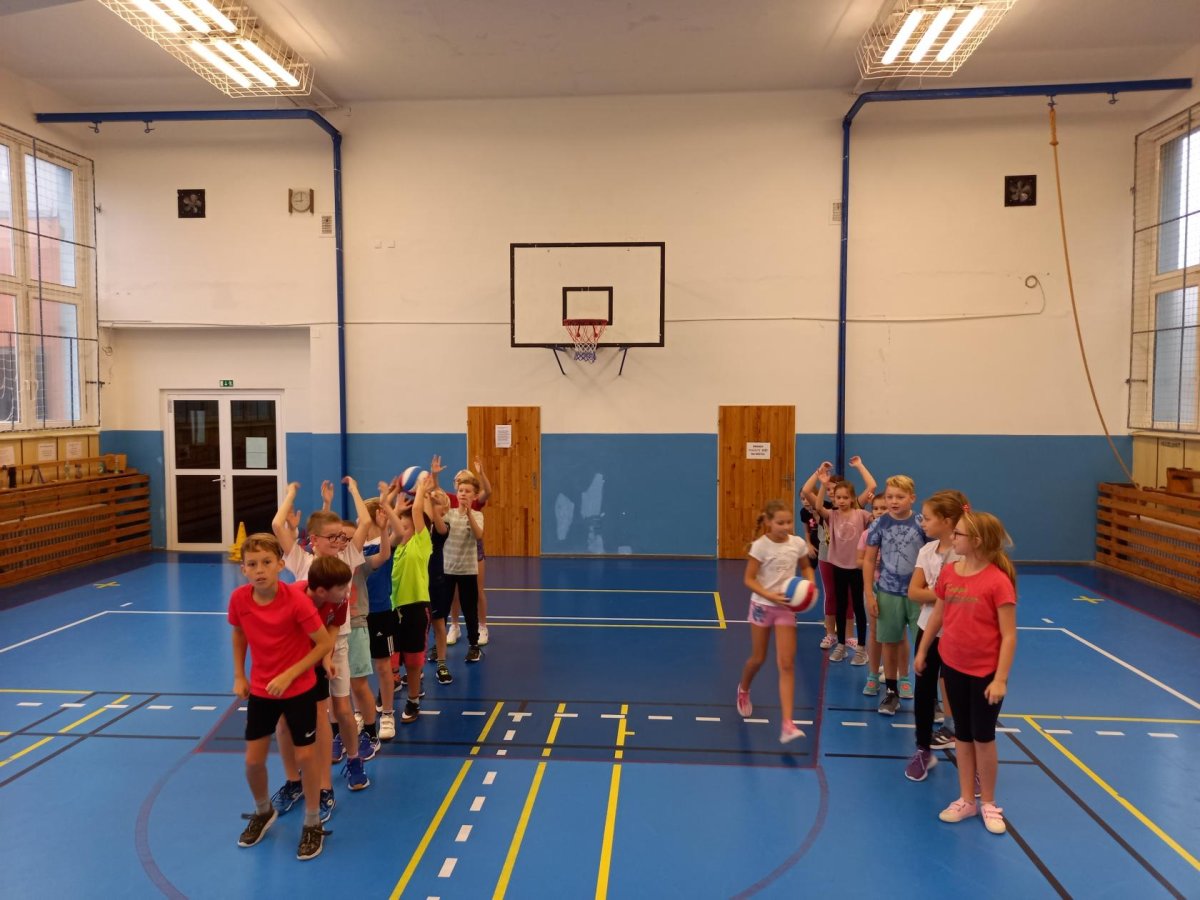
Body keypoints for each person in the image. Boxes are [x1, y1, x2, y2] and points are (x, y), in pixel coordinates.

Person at [228, 533, 334, 861]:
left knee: (306, 757)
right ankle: (264, 811)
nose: (259, 569)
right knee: (252, 761)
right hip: (262, 690)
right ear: (244, 570)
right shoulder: (239, 600)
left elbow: (324, 643)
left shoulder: (297, 601)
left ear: (280, 565)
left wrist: (290, 674)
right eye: (252, 564)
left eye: (266, 562)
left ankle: (313, 821)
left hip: (298, 689)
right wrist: (239, 674)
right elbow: (239, 634)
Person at [915, 510, 1017, 835]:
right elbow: (937, 616)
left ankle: (988, 802)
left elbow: (1009, 635)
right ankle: (965, 799)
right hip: (953, 666)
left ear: (976, 541)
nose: (952, 538)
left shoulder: (997, 581)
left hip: (985, 673)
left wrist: (1000, 679)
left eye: (957, 534)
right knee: (961, 734)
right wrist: (923, 650)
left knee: (983, 737)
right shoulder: (949, 573)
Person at [736, 499, 817, 745]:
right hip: (762, 606)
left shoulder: (797, 543)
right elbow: (749, 579)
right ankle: (743, 689)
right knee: (758, 658)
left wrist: (810, 584)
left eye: (789, 522)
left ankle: (787, 724)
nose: (785, 527)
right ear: (769, 523)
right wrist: (769, 595)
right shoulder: (760, 546)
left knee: (786, 664)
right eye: (780, 523)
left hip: (785, 609)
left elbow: (806, 567)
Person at [904, 490, 968, 781]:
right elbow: (914, 592)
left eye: (928, 518)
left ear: (947, 521)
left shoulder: (965, 553)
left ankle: (969, 754)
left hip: (959, 632)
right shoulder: (927, 551)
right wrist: (943, 594)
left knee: (959, 689)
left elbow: (966, 594)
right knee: (924, 690)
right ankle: (923, 749)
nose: (923, 523)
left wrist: (935, 594)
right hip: (928, 629)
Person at [803, 457, 876, 664]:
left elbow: (874, 501)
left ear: (852, 498)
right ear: (834, 499)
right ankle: (841, 645)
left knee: (858, 607)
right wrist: (822, 483)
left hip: (857, 568)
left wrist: (860, 466)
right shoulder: (832, 515)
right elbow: (817, 504)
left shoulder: (861, 514)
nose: (841, 500)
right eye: (838, 497)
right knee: (841, 604)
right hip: (838, 566)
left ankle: (861, 649)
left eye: (845, 497)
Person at [863, 475, 925, 715]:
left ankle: (928, 696)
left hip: (918, 595)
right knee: (889, 642)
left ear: (912, 498)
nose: (893, 501)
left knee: (925, 644)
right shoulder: (879, 524)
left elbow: (934, 556)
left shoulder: (921, 523)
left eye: (900, 497)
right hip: (887, 592)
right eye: (889, 497)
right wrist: (869, 594)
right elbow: (869, 560)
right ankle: (891, 691)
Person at [382, 470, 435, 723]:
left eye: (406, 527)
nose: (401, 530)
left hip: (416, 608)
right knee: (390, 659)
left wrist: (421, 488)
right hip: (393, 610)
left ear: (416, 530)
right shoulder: (392, 550)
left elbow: (416, 513)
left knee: (413, 661)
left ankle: (413, 700)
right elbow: (387, 523)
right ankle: (387, 691)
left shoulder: (421, 545)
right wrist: (393, 500)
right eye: (398, 527)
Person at [440, 471, 485, 662]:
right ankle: (438, 646)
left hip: (468, 571)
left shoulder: (477, 515)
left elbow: (478, 535)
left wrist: (468, 514)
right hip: (447, 570)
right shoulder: (448, 514)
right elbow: (439, 526)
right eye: (461, 490)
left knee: (469, 610)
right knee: (442, 610)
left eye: (467, 491)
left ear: (474, 496)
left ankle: (474, 645)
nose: (463, 494)